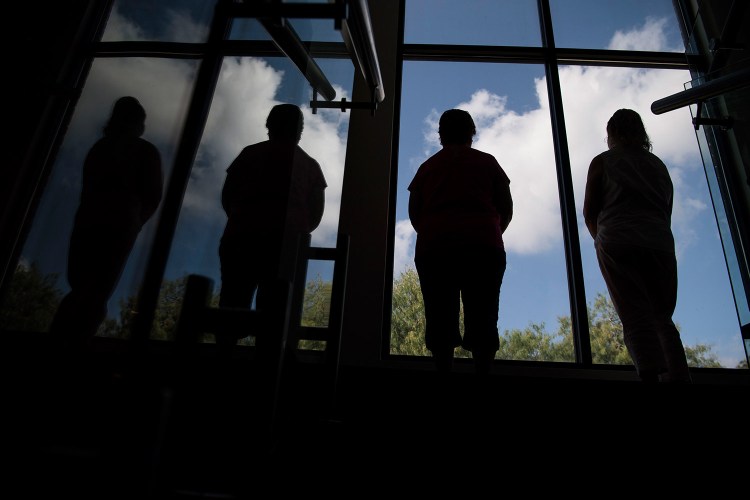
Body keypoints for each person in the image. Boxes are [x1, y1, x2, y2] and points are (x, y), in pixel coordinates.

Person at [583, 108, 691, 383]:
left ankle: (649, 375)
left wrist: (600, 239)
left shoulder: (603, 162)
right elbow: (665, 209)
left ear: (612, 134)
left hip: (617, 239)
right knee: (662, 317)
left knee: (634, 315)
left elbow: (589, 210)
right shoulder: (658, 165)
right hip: (659, 243)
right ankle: (679, 376)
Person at [49, 96, 163, 350]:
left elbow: (88, 190)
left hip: (90, 220)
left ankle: (62, 342)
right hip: (118, 222)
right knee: (95, 293)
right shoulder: (143, 151)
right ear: (138, 123)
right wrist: (135, 219)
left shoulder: (100, 148)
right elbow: (154, 195)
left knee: (84, 289)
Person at [408, 109, 513, 375]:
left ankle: (445, 385)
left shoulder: (428, 167)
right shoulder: (488, 163)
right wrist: (490, 232)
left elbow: (414, 212)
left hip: (435, 250)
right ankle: (483, 381)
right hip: (484, 249)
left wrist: (436, 232)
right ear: (471, 132)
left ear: (441, 135)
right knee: (484, 318)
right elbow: (506, 207)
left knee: (440, 320)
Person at [218, 103, 327, 353]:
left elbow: (228, 196)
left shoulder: (249, 154)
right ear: (299, 130)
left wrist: (244, 219)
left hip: (241, 238)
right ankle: (268, 374)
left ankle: (222, 367)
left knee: (231, 309)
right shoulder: (309, 165)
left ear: (269, 125)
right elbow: (316, 213)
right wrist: (295, 231)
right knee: (275, 317)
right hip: (285, 244)